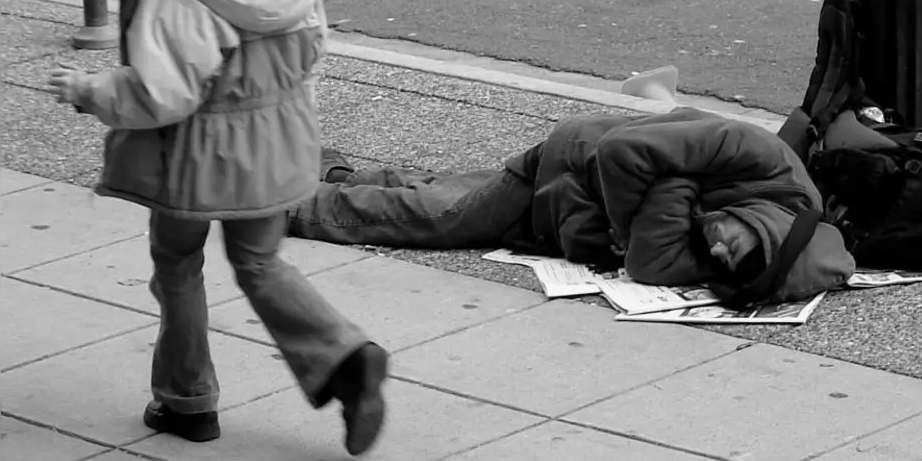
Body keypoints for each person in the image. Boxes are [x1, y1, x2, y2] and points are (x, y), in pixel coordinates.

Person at [46, 0, 387, 454]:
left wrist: (89, 91)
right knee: (259, 261)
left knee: (178, 263)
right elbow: (313, 50)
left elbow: (159, 94)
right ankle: (345, 356)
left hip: (197, 158)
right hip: (280, 140)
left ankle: (187, 401)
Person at [288, 102, 857, 304]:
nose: (714, 248)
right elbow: (621, 149)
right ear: (769, 228)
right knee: (440, 218)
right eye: (732, 243)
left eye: (722, 265)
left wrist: (671, 187)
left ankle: (324, 169)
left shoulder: (738, 251)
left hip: (565, 208)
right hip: (568, 162)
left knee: (438, 189)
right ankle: (278, 206)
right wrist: (668, 193)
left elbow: (650, 265)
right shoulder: (761, 158)